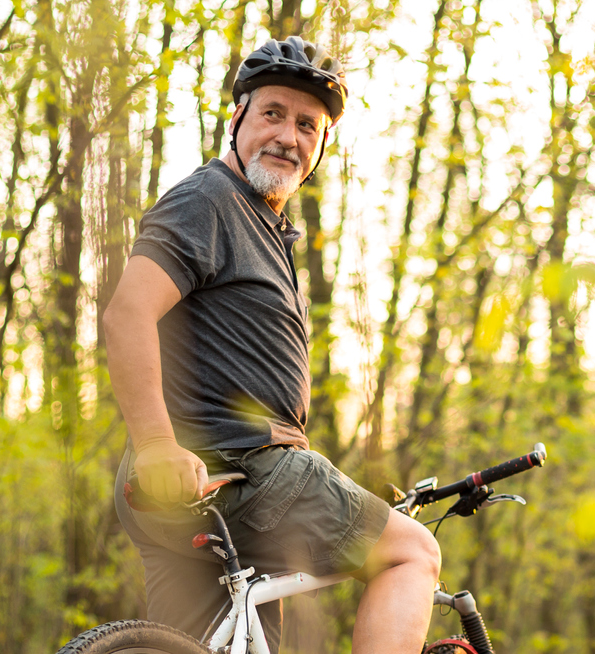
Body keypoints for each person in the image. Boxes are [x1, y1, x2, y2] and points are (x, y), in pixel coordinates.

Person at [102, 37, 441, 653]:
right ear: (237, 119)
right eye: (273, 114)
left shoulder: (263, 223)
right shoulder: (209, 201)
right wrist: (155, 444)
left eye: (307, 125)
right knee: (411, 555)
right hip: (242, 465)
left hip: (197, 485)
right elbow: (127, 315)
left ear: (321, 146)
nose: (289, 136)